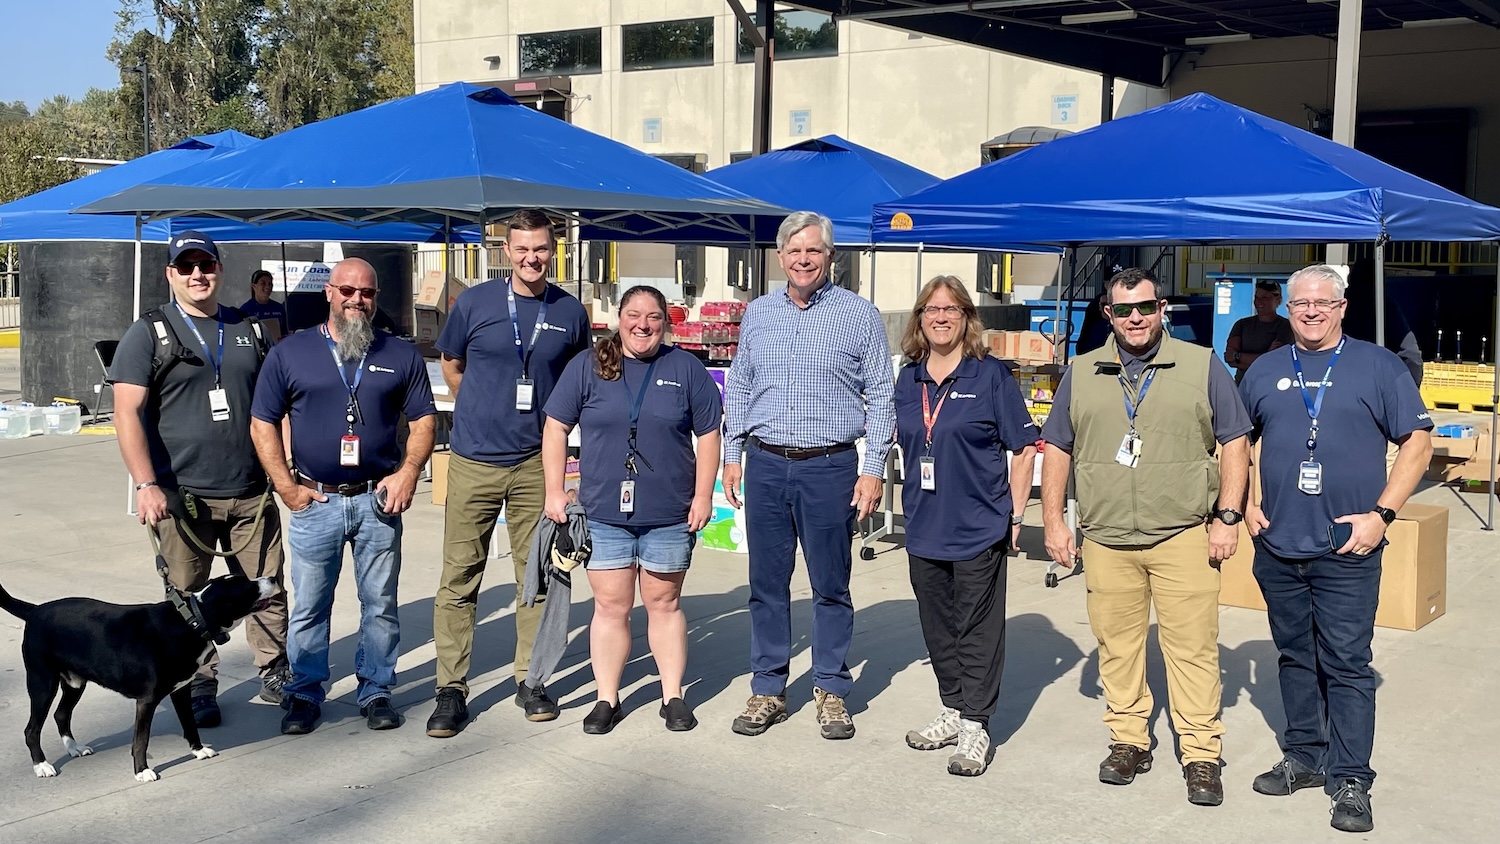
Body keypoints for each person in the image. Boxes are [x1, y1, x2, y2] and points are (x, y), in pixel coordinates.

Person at [1040, 267, 1251, 807]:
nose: (1136, 318)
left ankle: (1202, 753)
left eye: (1146, 307)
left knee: (1192, 650)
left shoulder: (1201, 365)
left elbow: (1234, 442)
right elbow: (1058, 448)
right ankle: (1129, 740)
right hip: (1107, 537)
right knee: (1118, 648)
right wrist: (1055, 521)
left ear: (1163, 311)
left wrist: (1228, 517)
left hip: (1182, 532)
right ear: (1108, 315)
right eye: (1123, 310)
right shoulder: (1082, 371)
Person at [1238, 264, 1432, 834]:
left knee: (1347, 662)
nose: (1312, 312)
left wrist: (1382, 515)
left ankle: (1350, 778)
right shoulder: (1265, 370)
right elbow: (1238, 441)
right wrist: (1246, 502)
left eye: (1324, 303)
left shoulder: (1379, 366)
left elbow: (1417, 445)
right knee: (1295, 654)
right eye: (1302, 304)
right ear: (1288, 308)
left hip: (1348, 546)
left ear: (1343, 307)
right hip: (1278, 543)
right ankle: (1304, 755)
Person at [721, 210, 895, 740]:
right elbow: (742, 386)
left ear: (830, 257)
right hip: (768, 463)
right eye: (794, 251)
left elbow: (882, 398)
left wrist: (872, 470)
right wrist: (732, 454)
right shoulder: (757, 314)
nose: (803, 260)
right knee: (766, 586)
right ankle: (768, 687)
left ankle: (830, 689)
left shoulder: (860, 315)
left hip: (831, 467)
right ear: (780, 258)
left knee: (830, 586)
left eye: (813, 251)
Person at [249, 257, 436, 735]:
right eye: (348, 291)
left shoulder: (400, 354)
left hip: (378, 501)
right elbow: (262, 422)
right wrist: (285, 485)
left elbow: (423, 421)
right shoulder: (291, 353)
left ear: (376, 299)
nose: (357, 300)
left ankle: (376, 689)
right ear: (329, 292)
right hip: (317, 501)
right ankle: (304, 693)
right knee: (311, 604)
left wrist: (409, 472)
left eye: (367, 293)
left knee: (380, 603)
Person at [108, 230, 287, 728]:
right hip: (183, 498)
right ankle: (200, 679)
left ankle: (275, 670)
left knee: (267, 587)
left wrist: (286, 474)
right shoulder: (149, 332)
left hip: (252, 491)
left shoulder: (248, 330)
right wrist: (146, 485)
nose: (197, 275)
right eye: (185, 267)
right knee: (188, 596)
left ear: (220, 270)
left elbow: (277, 407)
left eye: (205, 265)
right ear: (169, 274)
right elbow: (126, 412)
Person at [427, 209, 593, 737]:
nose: (531, 258)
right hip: (474, 461)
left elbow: (579, 381)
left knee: (536, 578)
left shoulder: (570, 311)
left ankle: (532, 678)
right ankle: (450, 690)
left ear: (554, 249)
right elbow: (451, 361)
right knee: (458, 580)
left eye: (541, 248)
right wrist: (474, 404)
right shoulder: (474, 302)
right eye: (521, 249)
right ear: (505, 251)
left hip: (534, 467)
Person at [541, 285, 722, 735]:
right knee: (610, 606)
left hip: (668, 514)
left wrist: (703, 497)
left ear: (667, 322)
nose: (643, 325)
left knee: (664, 603)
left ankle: (672, 695)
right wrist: (555, 490)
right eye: (634, 315)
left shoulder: (686, 368)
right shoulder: (588, 366)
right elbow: (556, 427)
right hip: (604, 513)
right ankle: (608, 698)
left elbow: (710, 436)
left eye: (654, 317)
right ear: (618, 318)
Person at [894, 276, 1038, 777]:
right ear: (920, 318)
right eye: (932, 309)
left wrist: (1016, 515)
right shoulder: (908, 380)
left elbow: (1023, 450)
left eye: (951, 309)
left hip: (979, 526)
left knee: (977, 629)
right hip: (924, 527)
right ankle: (953, 708)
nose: (941, 317)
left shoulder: (990, 376)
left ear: (966, 318)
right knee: (938, 628)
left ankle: (976, 723)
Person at [1225, 280, 1293, 382]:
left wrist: (1239, 356)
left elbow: (1274, 361)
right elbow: (1229, 358)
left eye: (1265, 297)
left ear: (1278, 299)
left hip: (1271, 386)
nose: (1259, 302)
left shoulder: (1285, 326)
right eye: (1257, 297)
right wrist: (1264, 356)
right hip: (1242, 386)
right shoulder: (1242, 324)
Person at [240, 269, 287, 341]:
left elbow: (285, 332)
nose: (267, 287)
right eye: (263, 283)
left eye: (270, 284)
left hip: (276, 349)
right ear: (254, 286)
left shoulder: (279, 308)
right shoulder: (246, 309)